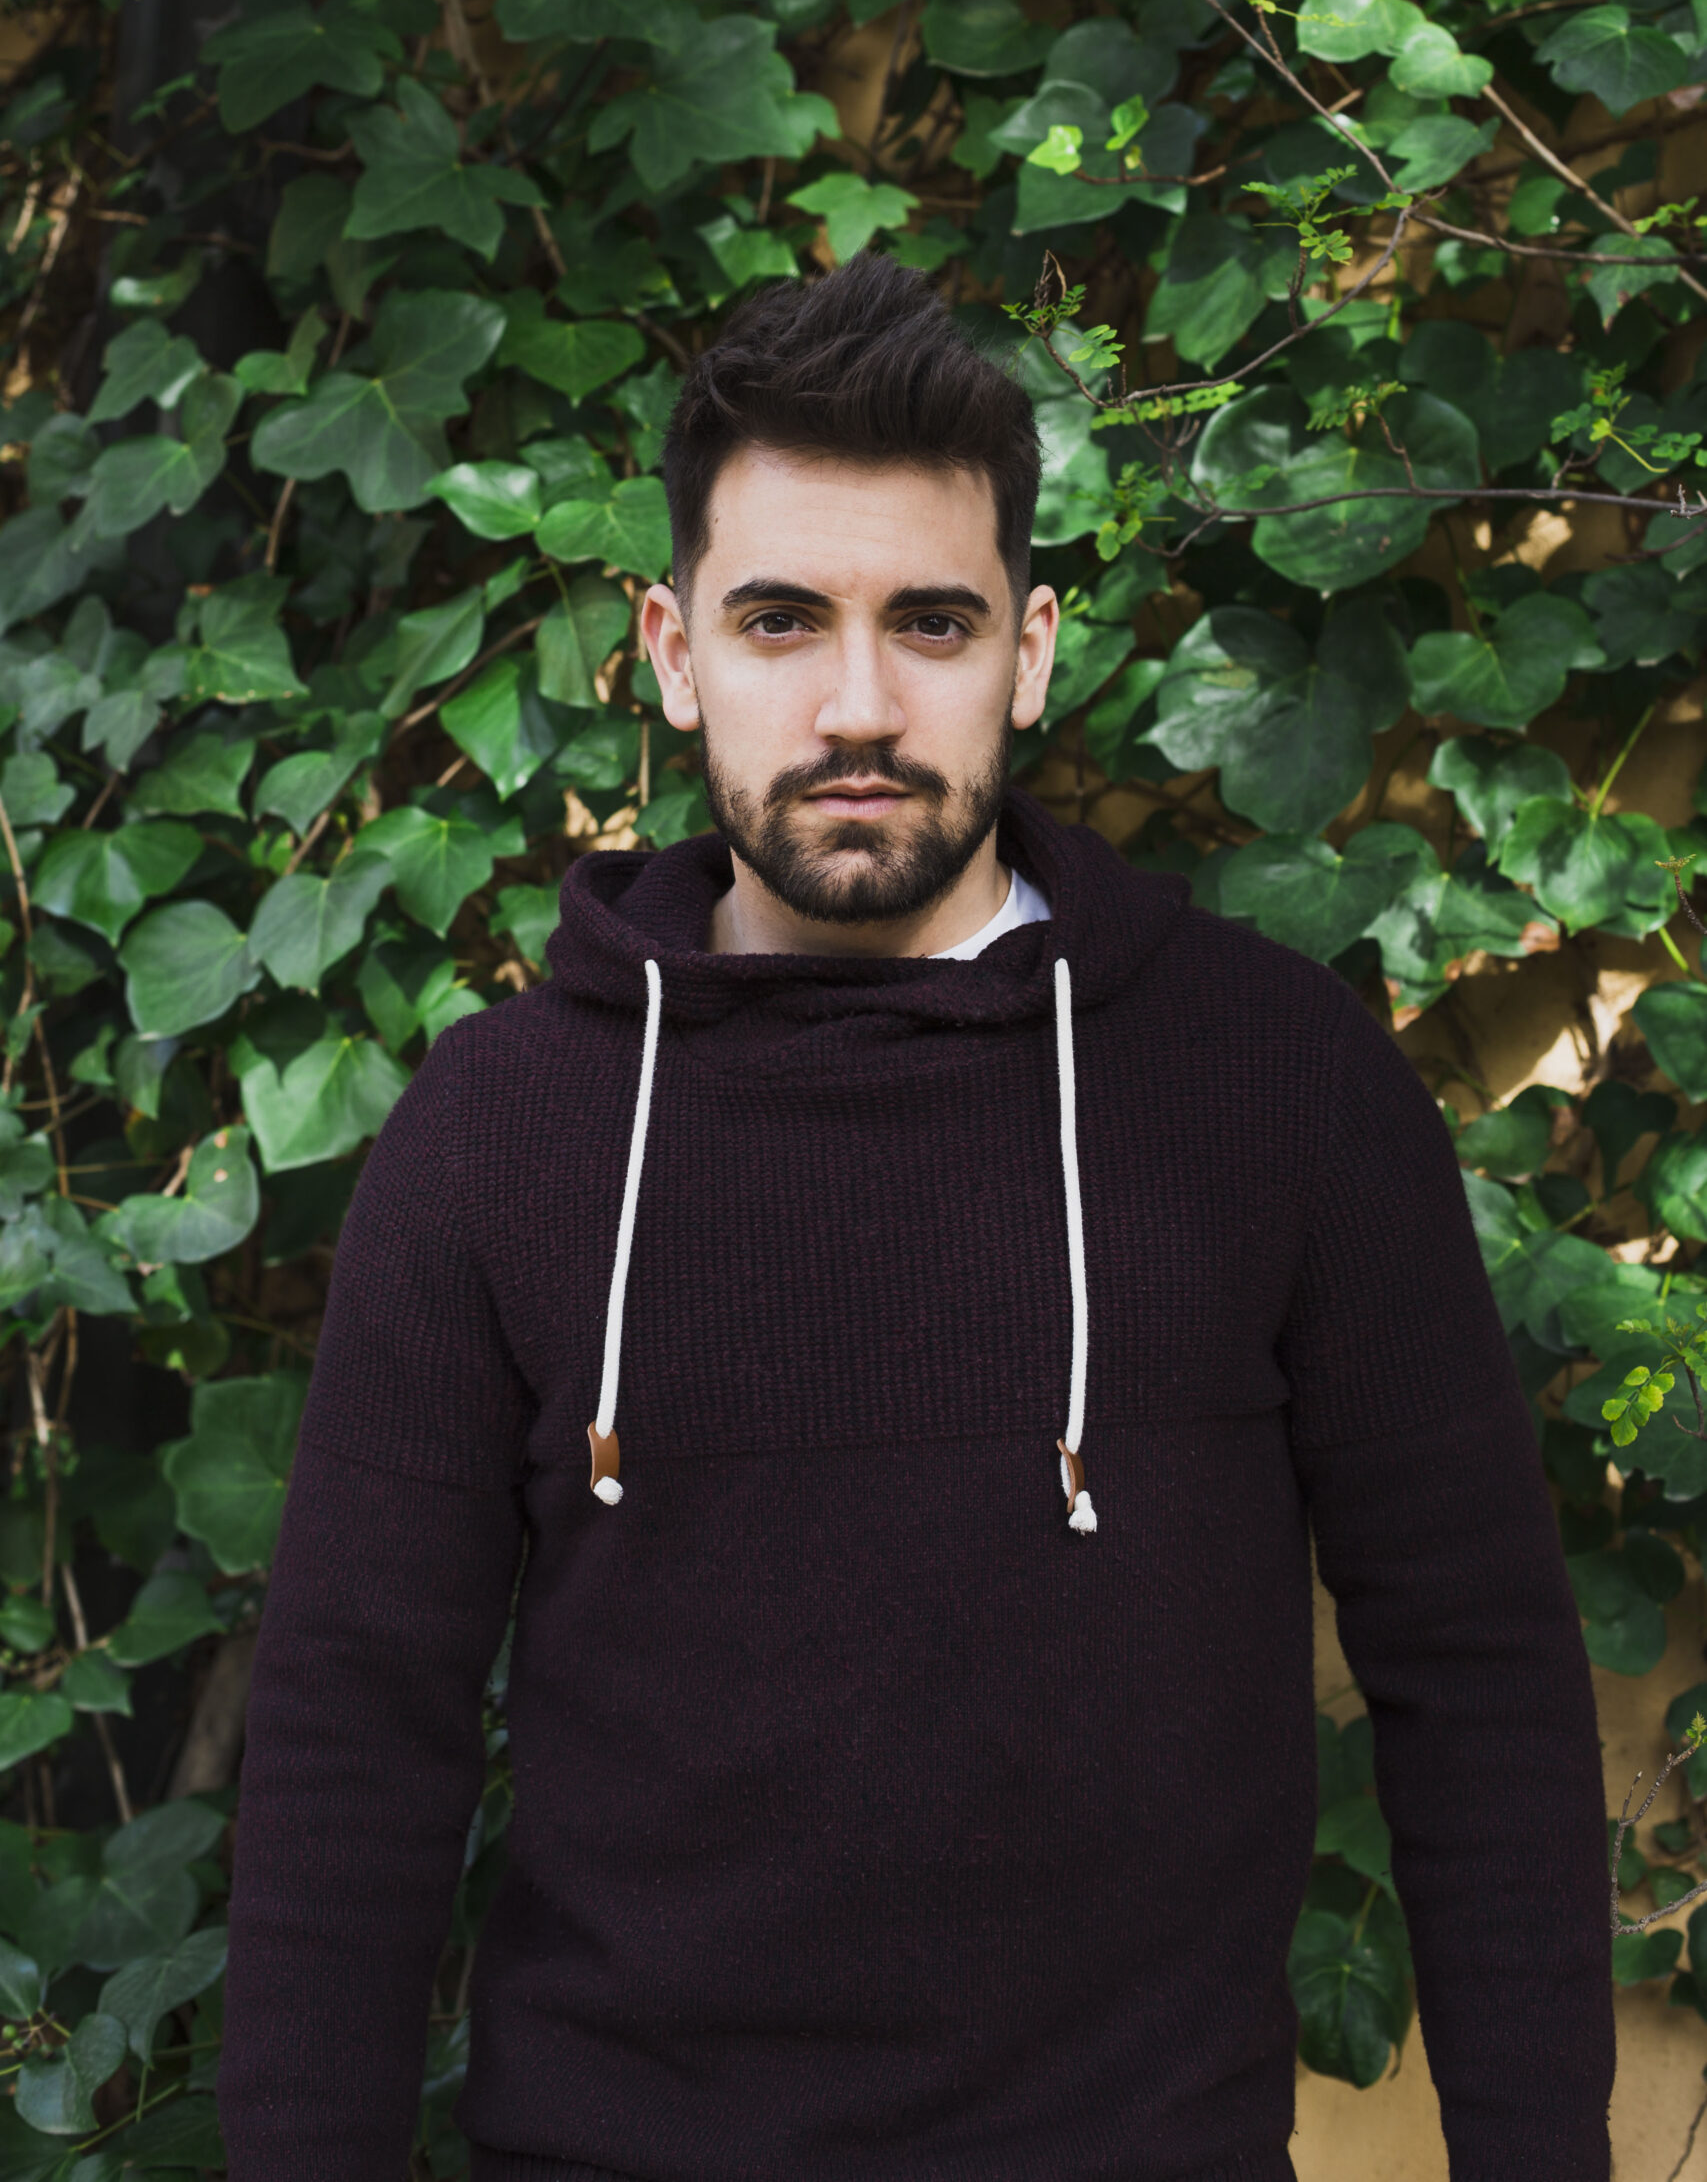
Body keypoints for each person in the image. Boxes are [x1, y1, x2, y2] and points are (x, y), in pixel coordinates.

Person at [218, 251, 1614, 2180]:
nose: (859, 703)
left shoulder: (1279, 1091)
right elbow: (351, 1747)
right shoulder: (502, 1133)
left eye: (932, 624)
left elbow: (1480, 1679)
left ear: (1031, 651)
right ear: (674, 649)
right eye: (782, 620)